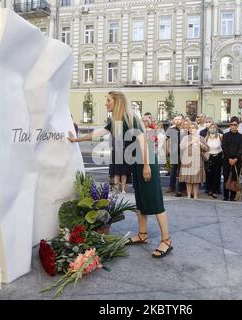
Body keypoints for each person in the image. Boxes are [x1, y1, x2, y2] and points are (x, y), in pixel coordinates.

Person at [68, 91, 173, 258]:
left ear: (117, 102)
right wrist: (76, 140)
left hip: (145, 161)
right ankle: (142, 234)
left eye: (108, 101)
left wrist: (146, 166)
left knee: (154, 200)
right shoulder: (115, 120)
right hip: (135, 163)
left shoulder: (128, 118)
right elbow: (98, 133)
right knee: (141, 198)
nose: (106, 103)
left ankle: (166, 240)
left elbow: (142, 141)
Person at [179, 122, 209, 199]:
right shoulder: (186, 138)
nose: (191, 129)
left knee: (196, 179)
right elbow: (182, 147)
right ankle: (189, 195)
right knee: (188, 179)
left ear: (196, 129)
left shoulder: (201, 138)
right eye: (190, 128)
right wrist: (191, 142)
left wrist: (199, 143)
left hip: (198, 161)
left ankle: (195, 195)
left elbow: (207, 149)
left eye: (193, 128)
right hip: (188, 160)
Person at [222, 117, 242, 201]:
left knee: (235, 178)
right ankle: (225, 196)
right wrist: (229, 158)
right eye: (231, 125)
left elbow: (241, 149)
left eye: (235, 125)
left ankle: (232, 196)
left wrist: (235, 159)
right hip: (227, 159)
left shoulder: (241, 137)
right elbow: (224, 147)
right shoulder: (225, 136)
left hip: (237, 160)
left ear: (238, 125)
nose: (233, 126)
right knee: (226, 177)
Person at [166, 115, 185, 197]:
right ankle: (171, 186)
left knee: (183, 171)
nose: (177, 121)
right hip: (174, 153)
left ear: (182, 120)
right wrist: (168, 150)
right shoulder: (171, 129)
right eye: (176, 119)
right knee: (173, 170)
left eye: (179, 119)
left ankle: (182, 188)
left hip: (184, 153)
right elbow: (166, 140)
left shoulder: (185, 129)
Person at [204, 122, 223, 198]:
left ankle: (216, 189)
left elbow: (223, 146)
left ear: (216, 128)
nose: (212, 129)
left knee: (217, 174)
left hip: (218, 156)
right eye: (211, 127)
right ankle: (209, 189)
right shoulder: (206, 137)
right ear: (208, 129)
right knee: (209, 174)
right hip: (209, 157)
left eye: (214, 127)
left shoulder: (220, 136)